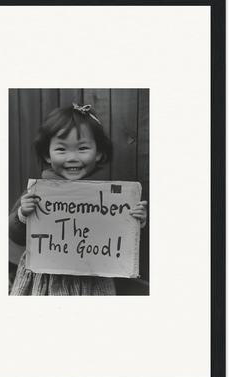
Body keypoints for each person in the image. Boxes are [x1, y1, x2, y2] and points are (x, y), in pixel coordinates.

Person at [9, 103, 147, 295]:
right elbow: (15, 236)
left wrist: (135, 219)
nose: (72, 157)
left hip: (93, 279)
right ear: (48, 155)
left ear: (98, 153)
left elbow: (119, 235)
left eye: (82, 148)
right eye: (62, 150)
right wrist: (23, 214)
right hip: (46, 279)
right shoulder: (37, 193)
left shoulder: (109, 198)